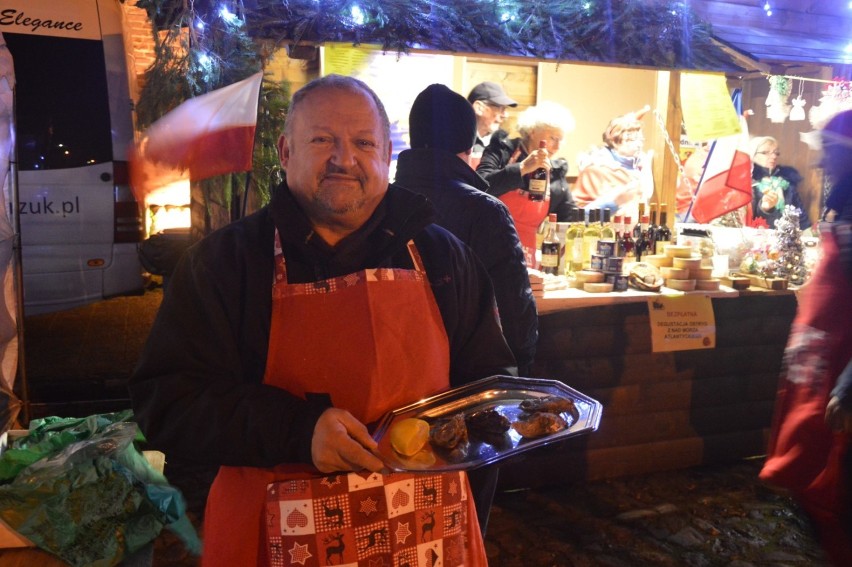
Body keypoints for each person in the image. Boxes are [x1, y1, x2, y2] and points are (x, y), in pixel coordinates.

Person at [129, 74, 517, 566]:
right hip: (271, 536)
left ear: (386, 157)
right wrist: (298, 430)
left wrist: (485, 422)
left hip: (424, 534)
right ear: (286, 151)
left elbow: (490, 381)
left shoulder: (444, 259)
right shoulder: (225, 263)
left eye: (362, 143)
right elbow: (168, 401)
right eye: (322, 140)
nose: (344, 158)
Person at [759, 109, 852, 566]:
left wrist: (848, 384)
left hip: (838, 368)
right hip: (818, 362)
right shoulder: (844, 204)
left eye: (831, 153)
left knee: (832, 487)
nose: (819, 164)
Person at [395, 83, 538, 377]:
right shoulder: (485, 210)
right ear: (469, 145)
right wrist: (521, 364)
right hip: (472, 381)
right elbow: (514, 311)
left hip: (402, 376)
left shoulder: (384, 202)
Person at [476, 101, 576, 266]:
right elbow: (481, 185)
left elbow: (568, 218)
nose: (557, 146)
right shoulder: (502, 150)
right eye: (553, 138)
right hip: (489, 250)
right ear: (532, 131)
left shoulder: (555, 173)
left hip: (526, 259)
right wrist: (522, 168)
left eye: (561, 141)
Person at [572, 106, 653, 220]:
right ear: (614, 141)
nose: (638, 144)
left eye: (640, 139)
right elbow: (578, 216)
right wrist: (614, 201)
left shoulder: (642, 168)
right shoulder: (595, 170)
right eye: (631, 140)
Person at [750, 135, 812, 230]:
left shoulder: (785, 182)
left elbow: (799, 213)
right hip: (759, 237)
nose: (774, 156)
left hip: (788, 237)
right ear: (752, 155)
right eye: (765, 152)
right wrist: (765, 208)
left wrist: (808, 233)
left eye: (776, 153)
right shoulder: (748, 183)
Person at [467, 81, 518, 168]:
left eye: (505, 109)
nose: (505, 115)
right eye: (501, 108)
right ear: (479, 108)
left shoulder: (504, 143)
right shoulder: (458, 141)